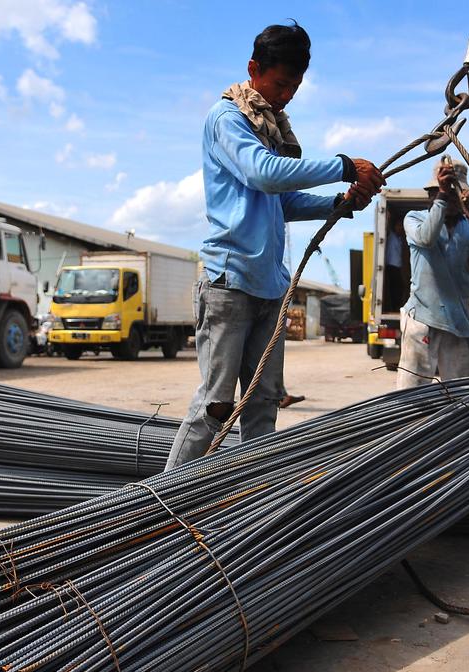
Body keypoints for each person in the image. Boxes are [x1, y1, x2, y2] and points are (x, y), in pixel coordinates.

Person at [165, 22, 384, 469]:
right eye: (281, 84)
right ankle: (161, 498)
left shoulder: (269, 129)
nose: (286, 96)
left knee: (263, 405)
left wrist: (339, 204)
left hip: (269, 288)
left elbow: (282, 201)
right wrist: (344, 167)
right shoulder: (228, 120)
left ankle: (251, 495)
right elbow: (263, 173)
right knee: (215, 407)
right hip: (229, 284)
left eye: (294, 88)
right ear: (254, 69)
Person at [396, 158, 469, 389]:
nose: (452, 199)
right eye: (445, 193)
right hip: (422, 318)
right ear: (432, 194)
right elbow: (426, 238)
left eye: (455, 194)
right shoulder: (415, 218)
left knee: (462, 393)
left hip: (458, 322)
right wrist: (443, 197)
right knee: (411, 393)